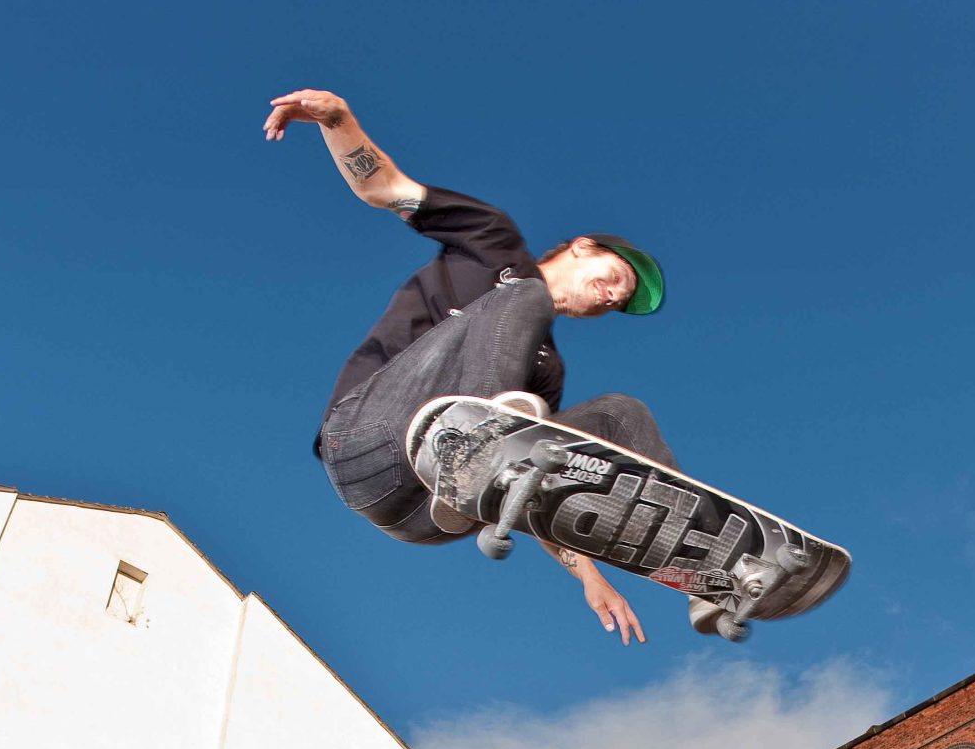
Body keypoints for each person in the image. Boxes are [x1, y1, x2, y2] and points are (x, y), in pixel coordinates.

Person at [266, 88, 673, 646]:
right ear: (582, 247)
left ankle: (691, 542)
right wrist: (338, 120)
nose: (613, 296)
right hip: (368, 442)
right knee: (524, 294)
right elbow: (384, 187)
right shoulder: (493, 241)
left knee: (620, 413)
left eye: (619, 302)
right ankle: (468, 450)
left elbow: (535, 478)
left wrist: (589, 576)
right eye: (616, 278)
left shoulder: (545, 372)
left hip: (427, 518)